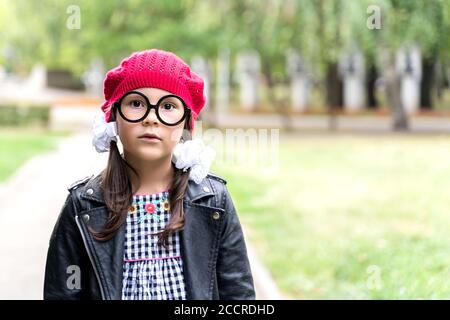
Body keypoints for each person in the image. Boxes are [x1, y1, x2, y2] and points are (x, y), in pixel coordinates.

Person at [43, 49, 255, 300]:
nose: (151, 118)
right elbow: (63, 293)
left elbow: (238, 293)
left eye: (168, 106)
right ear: (114, 118)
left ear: (185, 123)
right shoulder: (84, 205)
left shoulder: (212, 202)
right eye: (136, 104)